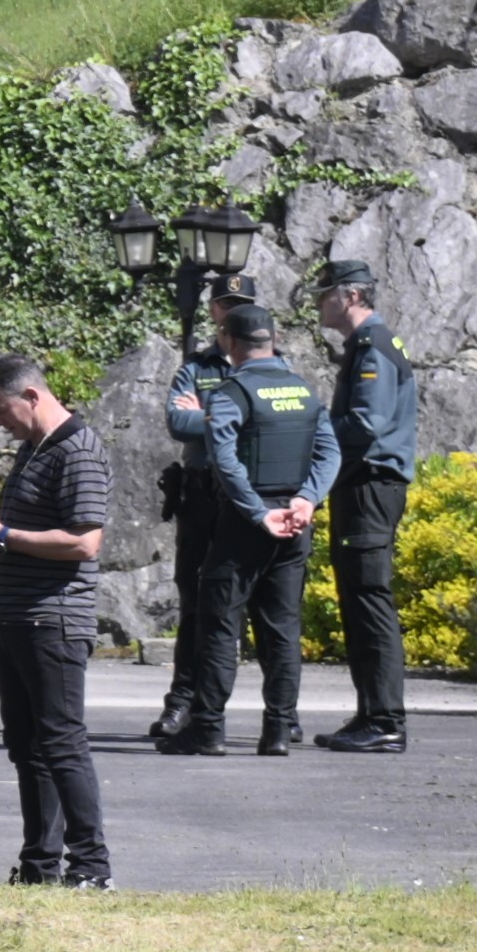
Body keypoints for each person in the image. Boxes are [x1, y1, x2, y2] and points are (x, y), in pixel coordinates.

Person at [160, 284, 336, 755]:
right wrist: (307, 500)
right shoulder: (302, 390)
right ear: (272, 340)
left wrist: (258, 513)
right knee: (282, 627)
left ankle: (208, 729)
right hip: (296, 524)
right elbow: (329, 451)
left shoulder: (232, 390)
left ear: (232, 344)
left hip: (244, 521)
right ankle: (278, 730)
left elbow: (225, 461)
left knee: (219, 622)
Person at [0, 351, 117, 885]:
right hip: (18, 618)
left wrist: (3, 535)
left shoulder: (76, 450)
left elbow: (83, 541)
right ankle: (39, 866)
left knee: (61, 742)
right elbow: (33, 532)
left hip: (53, 620)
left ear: (31, 395)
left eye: (0, 409)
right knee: (29, 747)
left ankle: (92, 868)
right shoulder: (35, 449)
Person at [313, 254, 424, 750]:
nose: (319, 303)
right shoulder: (366, 344)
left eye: (325, 293)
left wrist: (311, 433)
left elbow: (365, 425)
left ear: (350, 295)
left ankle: (383, 722)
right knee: (358, 598)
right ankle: (371, 716)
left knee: (368, 598)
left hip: (370, 485)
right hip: (363, 485)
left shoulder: (373, 346)